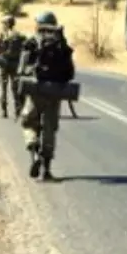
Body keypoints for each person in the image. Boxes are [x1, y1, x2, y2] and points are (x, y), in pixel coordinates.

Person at [17, 10, 75, 180]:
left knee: (29, 123)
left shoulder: (31, 43)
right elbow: (70, 73)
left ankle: (34, 152)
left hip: (36, 92)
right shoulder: (61, 45)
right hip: (54, 93)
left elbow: (22, 69)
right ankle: (46, 170)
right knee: (50, 129)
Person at [0, 15, 26, 118]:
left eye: (3, 23)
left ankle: (4, 111)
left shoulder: (1, 36)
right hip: (15, 64)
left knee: (3, 87)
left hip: (3, 64)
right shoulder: (19, 35)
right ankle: (17, 109)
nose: (2, 25)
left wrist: (1, 54)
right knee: (15, 87)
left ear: (7, 24)